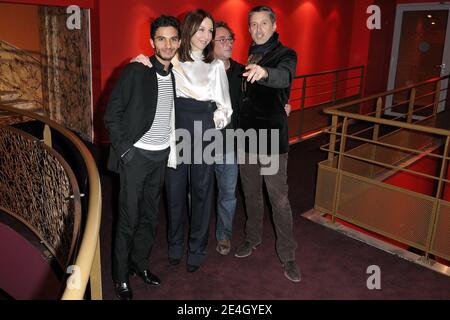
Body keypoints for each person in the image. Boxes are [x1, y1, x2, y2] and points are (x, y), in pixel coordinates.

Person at [132, 9, 232, 272]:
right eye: (201, 29)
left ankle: (197, 248)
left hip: (203, 129)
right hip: (174, 130)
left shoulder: (216, 66)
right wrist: (142, 61)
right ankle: (175, 244)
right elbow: (154, 76)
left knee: (202, 192)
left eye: (210, 31)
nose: (206, 35)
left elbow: (225, 107)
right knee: (174, 193)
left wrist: (212, 125)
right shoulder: (173, 60)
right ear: (188, 30)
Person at [104, 15, 181, 300]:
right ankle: (120, 276)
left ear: (179, 42)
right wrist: (126, 152)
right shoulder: (137, 70)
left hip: (160, 157)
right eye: (161, 38)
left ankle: (140, 265)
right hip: (136, 158)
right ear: (152, 42)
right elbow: (112, 115)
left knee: (149, 217)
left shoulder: (176, 73)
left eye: (173, 38)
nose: (168, 44)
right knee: (128, 219)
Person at [235, 6, 301, 283]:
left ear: (274, 26)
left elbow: (285, 76)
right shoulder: (250, 54)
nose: (258, 28)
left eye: (264, 23)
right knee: (250, 193)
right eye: (253, 24)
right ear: (249, 29)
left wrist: (264, 73)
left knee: (279, 199)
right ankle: (252, 238)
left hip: (272, 141)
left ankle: (288, 255)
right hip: (247, 138)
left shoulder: (285, 54)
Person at [212, 21, 245, 256]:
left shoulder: (243, 72)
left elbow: (259, 100)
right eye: (222, 39)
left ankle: (224, 235)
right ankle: (198, 232)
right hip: (200, 144)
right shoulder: (201, 72)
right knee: (197, 193)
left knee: (227, 193)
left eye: (230, 38)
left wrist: (282, 104)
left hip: (230, 145)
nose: (228, 43)